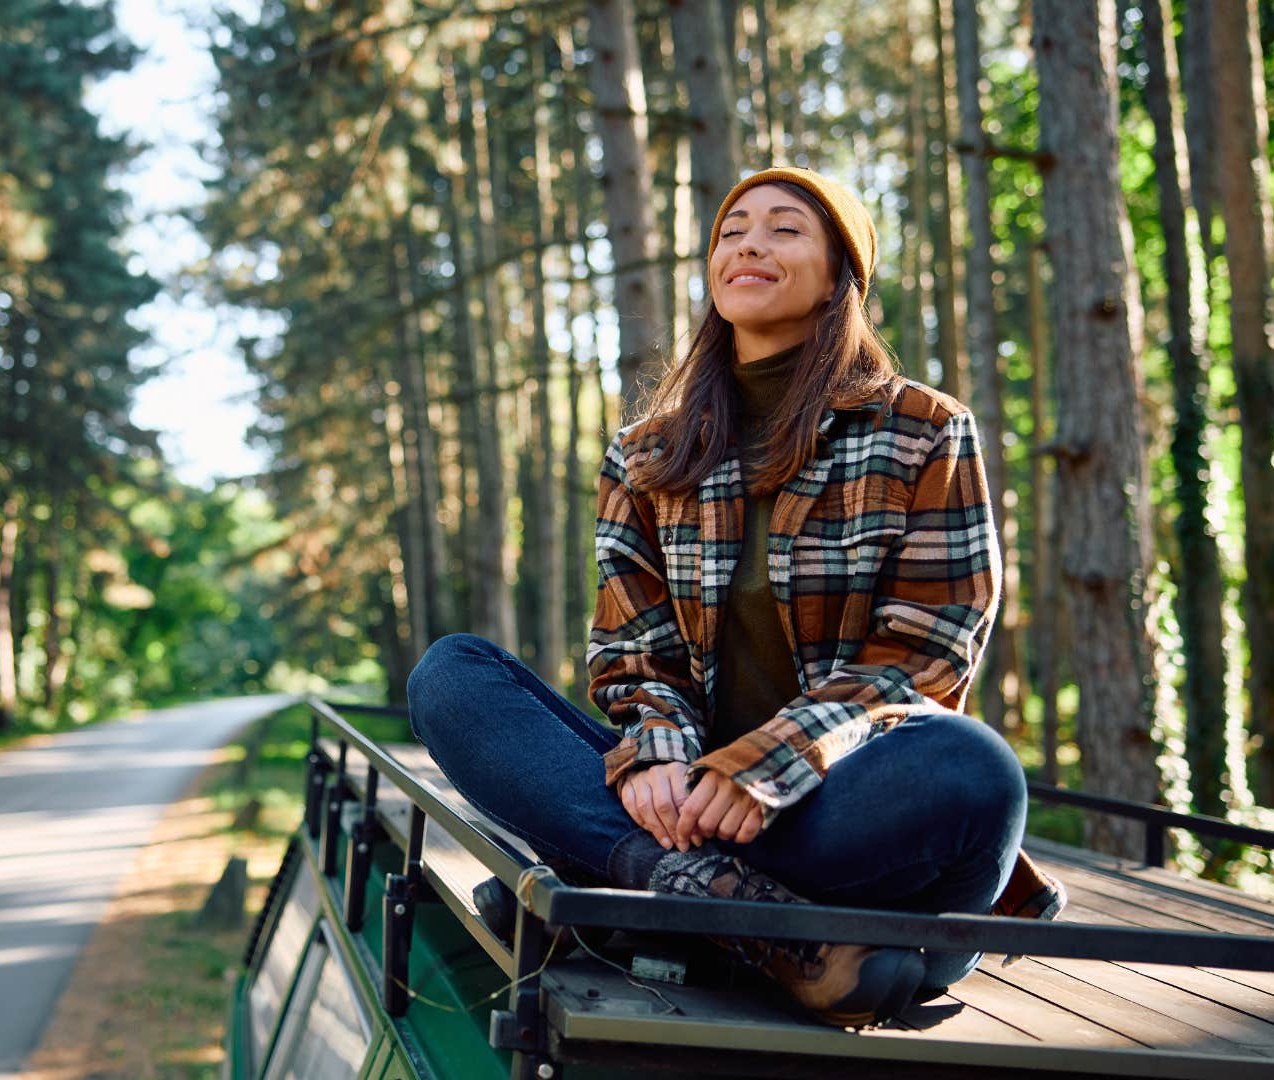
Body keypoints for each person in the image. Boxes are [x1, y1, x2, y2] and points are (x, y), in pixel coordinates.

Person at [407, 166, 1066, 1029]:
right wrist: (657, 753)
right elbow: (636, 653)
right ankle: (718, 910)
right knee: (453, 676)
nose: (749, 242)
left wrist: (763, 770)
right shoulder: (646, 456)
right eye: (732, 231)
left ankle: (629, 898)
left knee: (972, 768)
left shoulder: (924, 429)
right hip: (688, 819)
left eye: (786, 229)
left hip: (836, 820)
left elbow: (925, 656)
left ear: (841, 276)